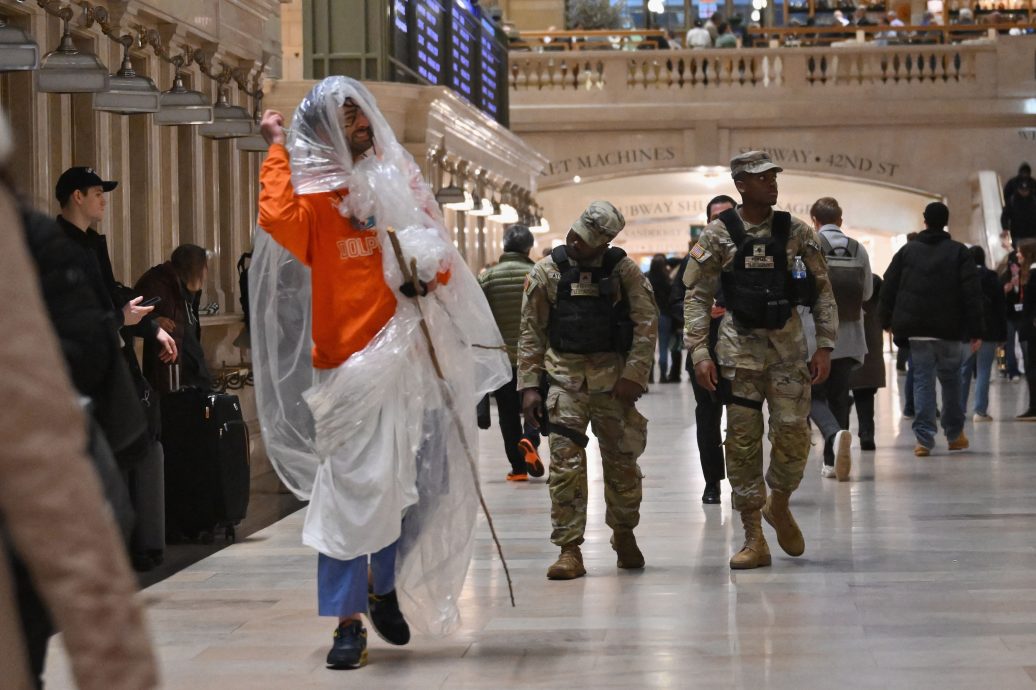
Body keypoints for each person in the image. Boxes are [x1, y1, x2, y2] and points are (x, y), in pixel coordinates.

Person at [253, 77, 510, 669]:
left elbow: (437, 256)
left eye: (363, 114)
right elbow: (275, 216)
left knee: (406, 489)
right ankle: (347, 623)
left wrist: (428, 277)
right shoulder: (316, 201)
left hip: (403, 364)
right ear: (324, 130)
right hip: (344, 370)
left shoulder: (400, 184)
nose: (362, 125)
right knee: (348, 498)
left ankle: (382, 584)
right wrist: (275, 148)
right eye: (348, 118)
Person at [0, 151, 157, 690]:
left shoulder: (51, 242)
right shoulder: (37, 240)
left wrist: (129, 322)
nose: (104, 201)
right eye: (97, 193)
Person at [683, 151, 838, 569]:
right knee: (742, 444)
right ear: (741, 186)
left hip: (789, 351)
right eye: (761, 177)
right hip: (738, 355)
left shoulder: (795, 231)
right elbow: (696, 296)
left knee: (793, 436)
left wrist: (825, 344)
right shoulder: (717, 235)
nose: (771, 183)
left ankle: (780, 502)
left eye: (773, 176)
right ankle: (754, 538)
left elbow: (823, 289)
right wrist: (699, 351)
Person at [518, 201, 657, 580]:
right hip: (564, 381)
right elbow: (531, 332)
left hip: (614, 384)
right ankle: (569, 549)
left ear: (606, 244)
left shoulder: (623, 272)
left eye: (588, 241)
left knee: (622, 463)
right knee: (565, 466)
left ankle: (624, 533)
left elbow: (646, 323)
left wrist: (635, 374)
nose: (577, 244)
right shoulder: (547, 272)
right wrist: (529, 387)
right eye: (576, 235)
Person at [879, 202, 983, 456]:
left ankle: (924, 440)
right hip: (949, 329)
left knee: (923, 383)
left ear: (925, 221)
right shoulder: (959, 252)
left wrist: (886, 321)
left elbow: (888, 286)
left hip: (917, 330)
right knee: (951, 382)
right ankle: (955, 434)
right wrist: (977, 329)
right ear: (945, 222)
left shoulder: (907, 252)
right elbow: (972, 293)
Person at [672, 194, 736, 504]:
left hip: (742, 353)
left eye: (727, 216)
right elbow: (674, 301)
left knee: (743, 422)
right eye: (715, 218)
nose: (721, 223)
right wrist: (699, 311)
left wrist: (732, 308)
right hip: (704, 352)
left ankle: (742, 482)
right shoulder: (695, 257)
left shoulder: (751, 252)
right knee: (708, 420)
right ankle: (712, 483)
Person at [804, 197, 872, 481]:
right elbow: (866, 293)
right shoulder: (858, 249)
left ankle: (832, 440)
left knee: (812, 395)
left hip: (815, 336)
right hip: (850, 336)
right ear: (840, 221)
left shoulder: (809, 246)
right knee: (840, 398)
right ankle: (834, 461)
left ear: (814, 220)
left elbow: (802, 290)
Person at [478, 224, 545, 481]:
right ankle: (530, 438)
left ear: (504, 246)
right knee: (534, 402)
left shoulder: (487, 277)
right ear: (528, 248)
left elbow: (479, 315)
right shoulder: (537, 273)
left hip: (501, 356)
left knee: (507, 412)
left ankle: (518, 469)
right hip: (534, 355)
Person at [135, 244, 213, 394]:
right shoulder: (160, 282)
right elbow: (134, 311)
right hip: (170, 374)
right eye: (204, 267)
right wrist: (155, 320)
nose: (206, 272)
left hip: (191, 371)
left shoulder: (186, 289)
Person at [960, 245, 1007, 421]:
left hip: (967, 333)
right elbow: (1001, 308)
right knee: (984, 370)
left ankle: (960, 409)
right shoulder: (993, 278)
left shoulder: (963, 278)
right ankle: (980, 411)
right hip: (989, 331)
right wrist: (1003, 335)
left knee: (964, 371)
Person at [850, 274, 885, 450]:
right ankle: (866, 433)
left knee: (837, 393)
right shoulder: (874, 282)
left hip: (843, 341)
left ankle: (837, 434)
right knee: (864, 392)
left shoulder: (832, 277)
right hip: (869, 344)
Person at [1015, 239, 1036, 420]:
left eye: (1020, 252)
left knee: (1032, 367)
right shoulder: (1028, 274)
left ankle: (1034, 406)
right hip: (1028, 326)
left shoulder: (1033, 274)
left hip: (1031, 328)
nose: (1017, 255)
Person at [647, 254, 674, 382]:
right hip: (664, 315)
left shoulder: (646, 278)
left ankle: (650, 376)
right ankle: (663, 375)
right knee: (663, 347)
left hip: (649, 315)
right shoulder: (666, 280)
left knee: (649, 347)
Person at [1002, 251, 1025, 381]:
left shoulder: (1025, 277)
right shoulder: (1004, 278)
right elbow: (999, 295)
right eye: (1011, 266)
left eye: (1016, 266)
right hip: (1009, 316)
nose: (1014, 269)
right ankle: (1012, 370)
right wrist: (1008, 287)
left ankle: (1026, 368)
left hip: (1022, 316)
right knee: (1009, 344)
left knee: (1024, 343)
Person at [1001, 177, 1036, 248]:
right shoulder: (1012, 201)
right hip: (1017, 236)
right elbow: (1005, 216)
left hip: (1032, 236)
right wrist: (1005, 228)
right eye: (1022, 190)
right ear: (1018, 189)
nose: (1024, 192)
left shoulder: (1034, 201)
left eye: (1026, 190)